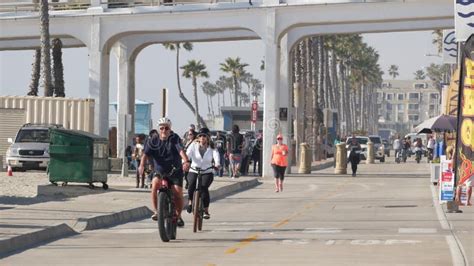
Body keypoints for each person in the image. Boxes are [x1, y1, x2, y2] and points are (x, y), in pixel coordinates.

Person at [138, 117, 190, 227]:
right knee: (155, 185)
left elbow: (180, 150)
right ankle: (156, 211)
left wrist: (185, 161)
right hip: (160, 169)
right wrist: (142, 165)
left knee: (177, 192)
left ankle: (179, 215)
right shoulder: (153, 140)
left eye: (166, 128)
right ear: (158, 129)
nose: (164, 131)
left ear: (170, 129)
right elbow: (145, 154)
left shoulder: (174, 138)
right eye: (161, 128)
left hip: (175, 169)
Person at [185, 127, 220, 219]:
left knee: (204, 188)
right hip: (194, 169)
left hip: (207, 171)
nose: (202, 138)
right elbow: (187, 154)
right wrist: (185, 162)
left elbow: (216, 156)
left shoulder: (212, 146)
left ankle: (206, 210)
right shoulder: (193, 145)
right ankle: (190, 202)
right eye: (200, 136)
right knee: (191, 184)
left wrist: (217, 164)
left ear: (208, 137)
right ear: (198, 137)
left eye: (204, 136)